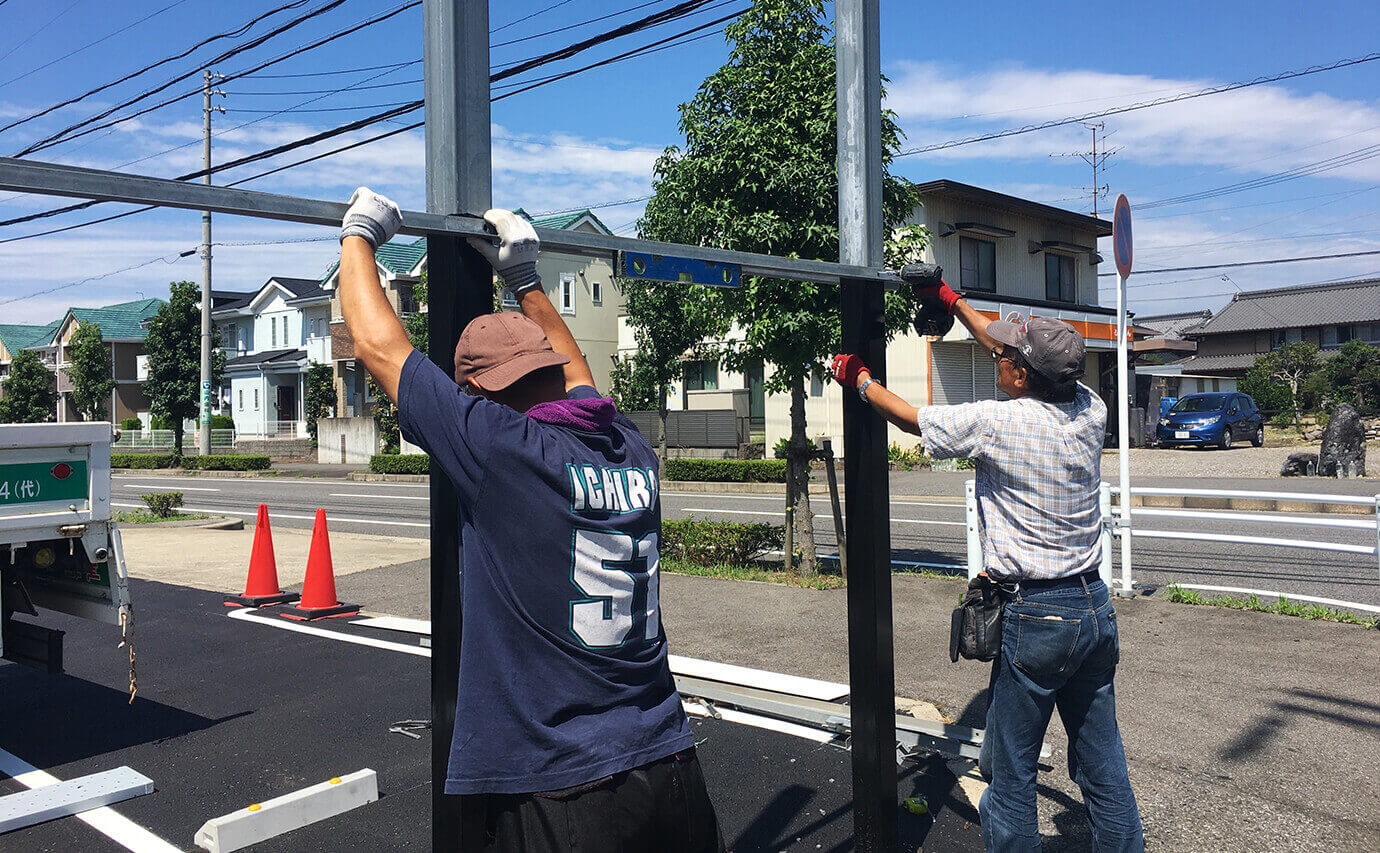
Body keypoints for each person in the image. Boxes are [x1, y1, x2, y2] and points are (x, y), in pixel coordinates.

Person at [337, 188, 723, 853]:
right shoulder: (628, 446)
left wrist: (359, 233)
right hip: (672, 766)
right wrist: (524, 279)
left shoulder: (502, 450)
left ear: (478, 395)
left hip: (567, 792)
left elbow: (379, 347)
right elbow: (581, 377)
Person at [831, 274, 1144, 852]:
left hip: (1038, 618)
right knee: (1103, 769)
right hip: (1094, 610)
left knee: (1010, 778)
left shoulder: (999, 424)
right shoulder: (1090, 408)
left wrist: (858, 378)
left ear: (1021, 375)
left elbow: (910, 418)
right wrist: (950, 301)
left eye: (1004, 356)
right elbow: (1002, 347)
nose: (995, 354)